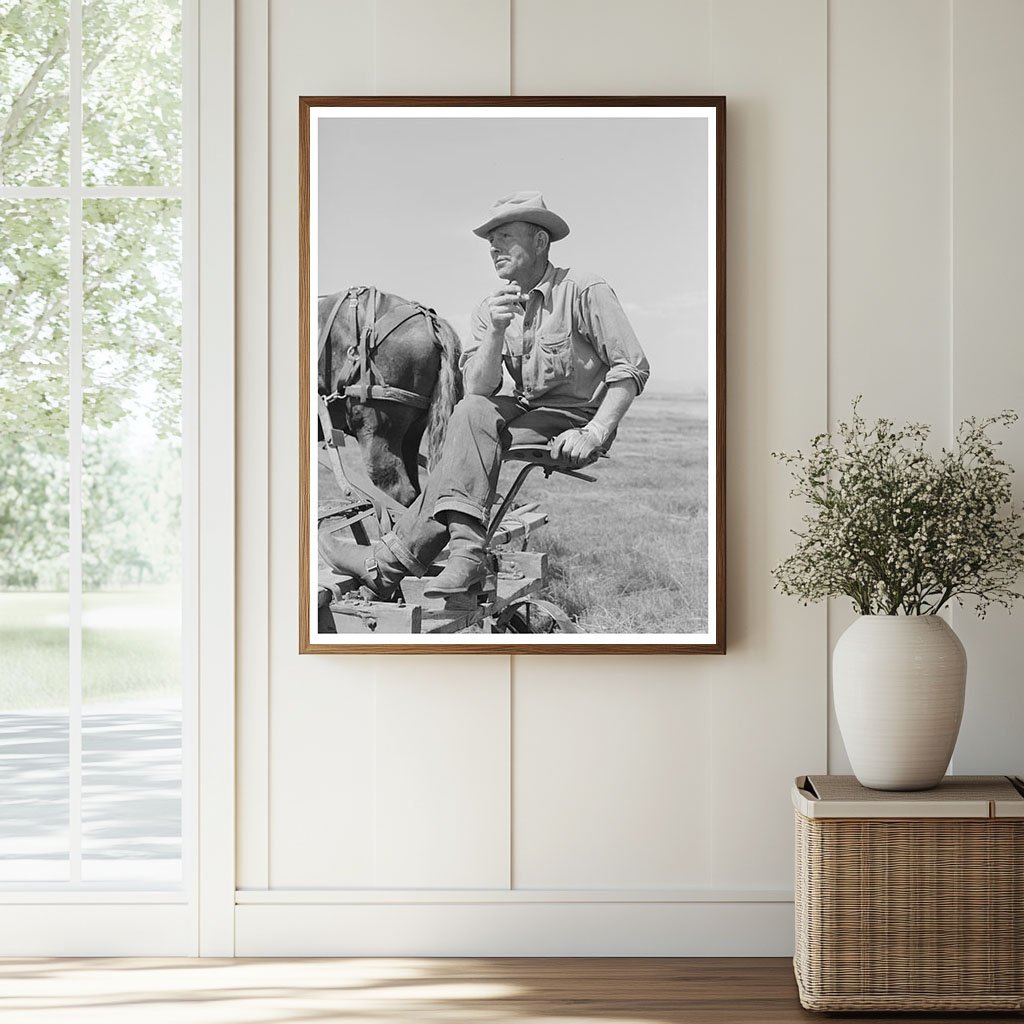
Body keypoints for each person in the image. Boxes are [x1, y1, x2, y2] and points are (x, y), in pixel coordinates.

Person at [319, 190, 650, 600]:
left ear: (540, 242)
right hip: (528, 411)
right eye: (490, 240)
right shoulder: (490, 309)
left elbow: (631, 367)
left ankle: (388, 564)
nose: (493, 247)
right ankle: (464, 555)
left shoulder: (582, 289)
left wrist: (596, 432)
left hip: (574, 419)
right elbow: (478, 388)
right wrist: (494, 332)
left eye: (505, 236)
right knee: (471, 412)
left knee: (465, 448)